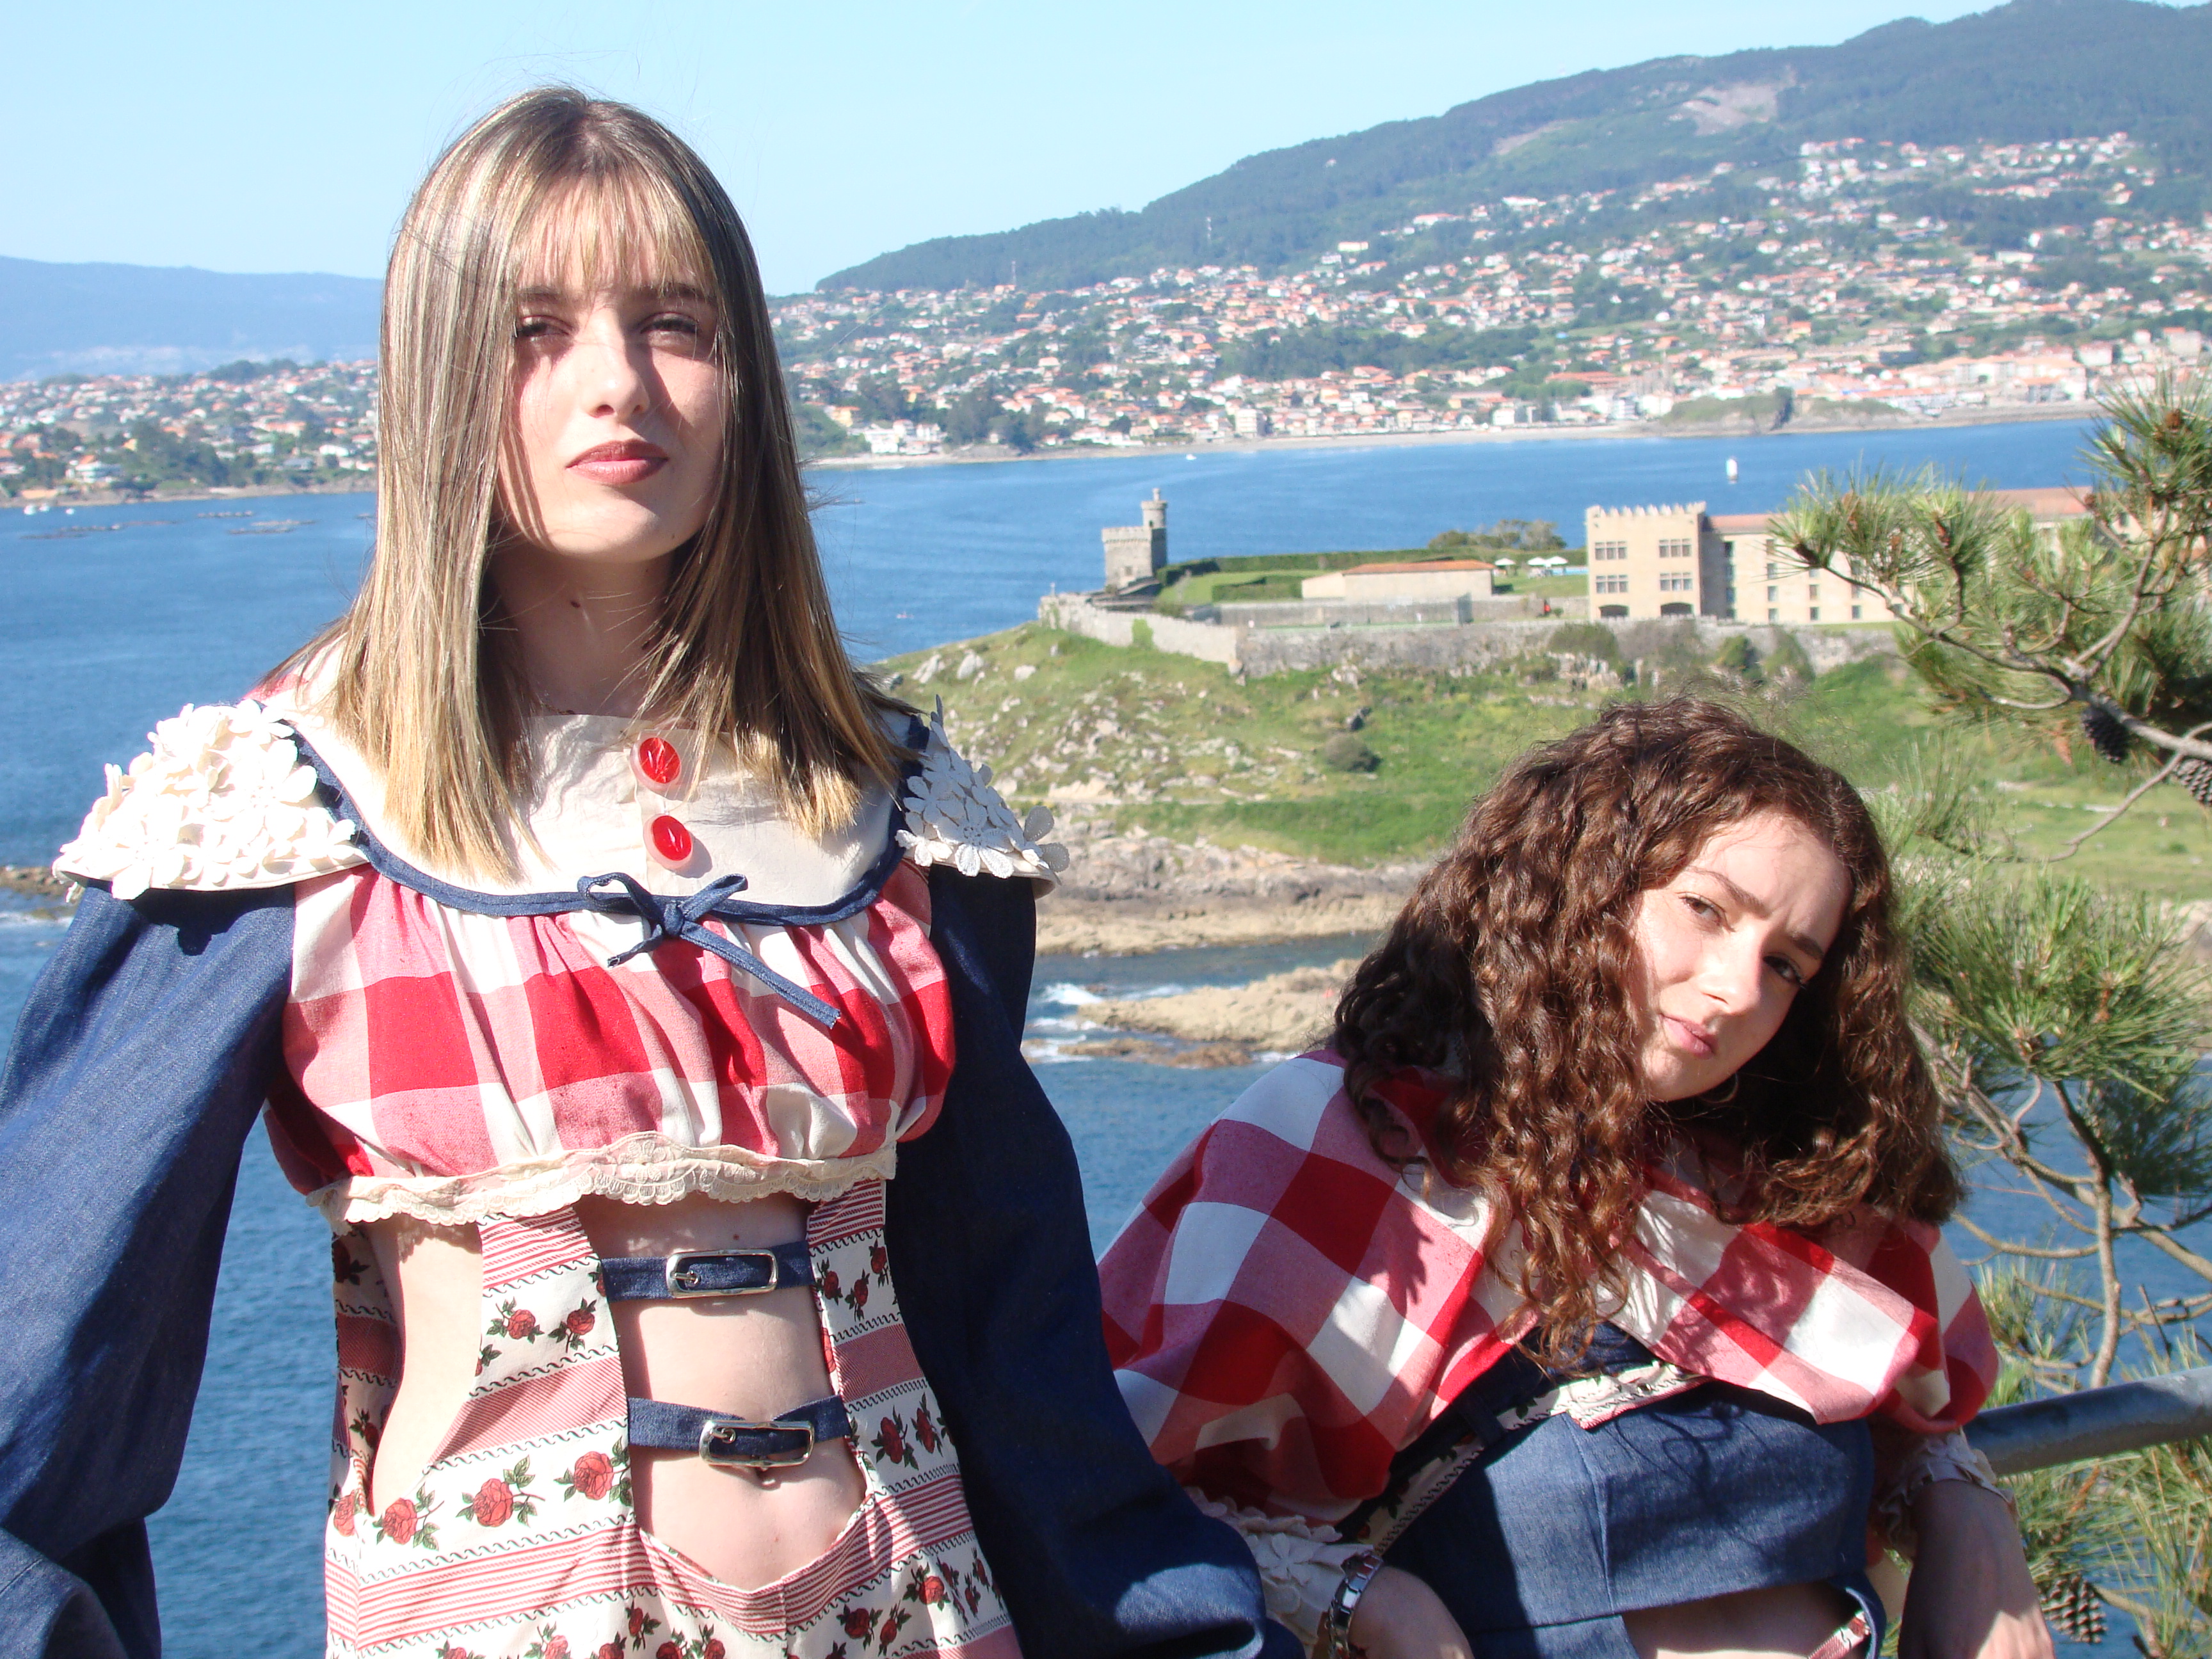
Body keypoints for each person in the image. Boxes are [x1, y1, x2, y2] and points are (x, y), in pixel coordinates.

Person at [0, 88, 1296, 1659]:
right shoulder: (283, 807)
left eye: (675, 322)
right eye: (533, 330)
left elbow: (1013, 1344)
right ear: (436, 378)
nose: (617, 382)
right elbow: (40, 1369)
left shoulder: (892, 811)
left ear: (744, 375)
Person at [1098, 700, 2053, 1659]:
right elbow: (1108, 1493)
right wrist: (1361, 1603)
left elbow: (1910, 1398)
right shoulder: (1344, 1144)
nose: (1738, 989)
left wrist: (1967, 1513)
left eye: (1786, 965)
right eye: (1707, 909)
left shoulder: (1777, 1186)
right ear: (1586, 876)